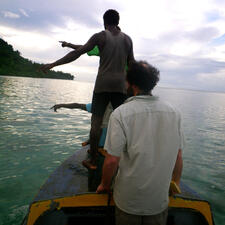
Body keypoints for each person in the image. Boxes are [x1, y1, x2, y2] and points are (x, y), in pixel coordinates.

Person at [41, 9, 134, 170]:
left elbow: (79, 52)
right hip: (120, 87)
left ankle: (92, 161)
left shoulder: (100, 36)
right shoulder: (128, 40)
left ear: (104, 22)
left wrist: (53, 64)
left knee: (96, 123)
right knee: (123, 123)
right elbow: (132, 64)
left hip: (103, 85)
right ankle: (127, 159)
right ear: (118, 22)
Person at [97, 61, 184, 225]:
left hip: (128, 202)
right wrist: (175, 184)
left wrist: (104, 185)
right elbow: (178, 155)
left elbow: (112, 160)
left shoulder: (121, 114)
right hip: (158, 201)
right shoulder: (175, 112)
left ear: (130, 84)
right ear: (153, 83)